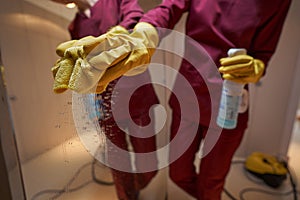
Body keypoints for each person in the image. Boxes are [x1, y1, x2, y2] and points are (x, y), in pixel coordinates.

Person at [51, 0, 291, 199]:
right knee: (178, 173)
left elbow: (264, 52)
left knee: (212, 181)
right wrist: (144, 34)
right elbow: (167, 8)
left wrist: (257, 67)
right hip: (188, 94)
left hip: (228, 101)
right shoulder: (77, 23)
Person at [50, 0, 159, 200]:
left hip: (137, 95)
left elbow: (134, 18)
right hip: (104, 101)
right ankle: (126, 196)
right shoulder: (74, 26)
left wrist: (115, 36)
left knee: (148, 163)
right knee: (117, 163)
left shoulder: (116, 2)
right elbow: (84, 65)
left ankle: (136, 185)